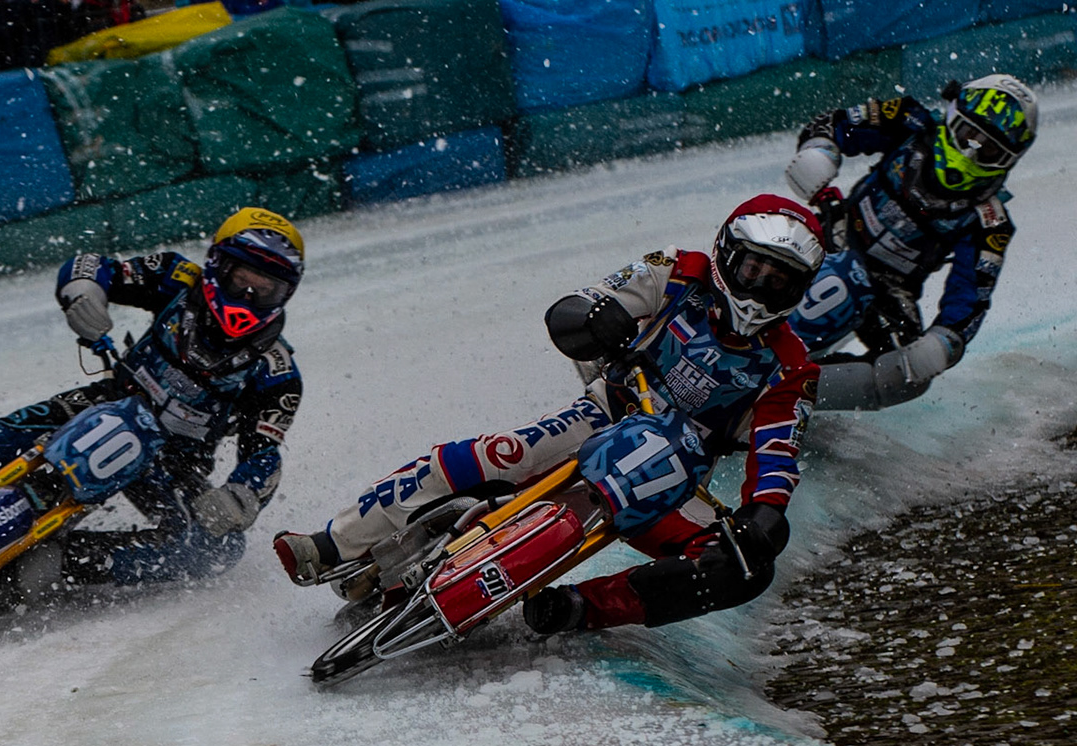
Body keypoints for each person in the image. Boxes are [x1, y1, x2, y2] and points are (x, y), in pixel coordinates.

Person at [273, 194, 825, 635]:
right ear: (728, 253)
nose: (759, 288)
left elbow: (778, 451)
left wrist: (766, 513)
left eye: (779, 281)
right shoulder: (677, 270)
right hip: (605, 414)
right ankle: (331, 544)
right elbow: (584, 303)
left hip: (672, 483)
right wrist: (594, 318)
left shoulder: (792, 365)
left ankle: (580, 610)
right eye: (753, 268)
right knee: (503, 453)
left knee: (743, 570)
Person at [0, 208, 306, 590]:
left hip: (173, 462)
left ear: (287, 293)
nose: (250, 293)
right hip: (104, 400)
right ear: (217, 265)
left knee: (212, 550)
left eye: (268, 288)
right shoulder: (175, 277)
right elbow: (91, 265)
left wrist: (240, 496)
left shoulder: (278, 373)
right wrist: (86, 293)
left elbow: (265, 451)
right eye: (243, 276)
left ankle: (60, 564)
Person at [782, 74, 1037, 411]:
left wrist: (944, 342)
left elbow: (972, 298)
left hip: (891, 290)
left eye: (988, 149)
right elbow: (833, 123)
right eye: (967, 135)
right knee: (794, 255)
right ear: (951, 118)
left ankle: (797, 392)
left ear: (1008, 159)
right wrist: (820, 153)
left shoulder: (990, 221)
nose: (970, 153)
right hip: (834, 232)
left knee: (906, 378)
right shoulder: (909, 119)